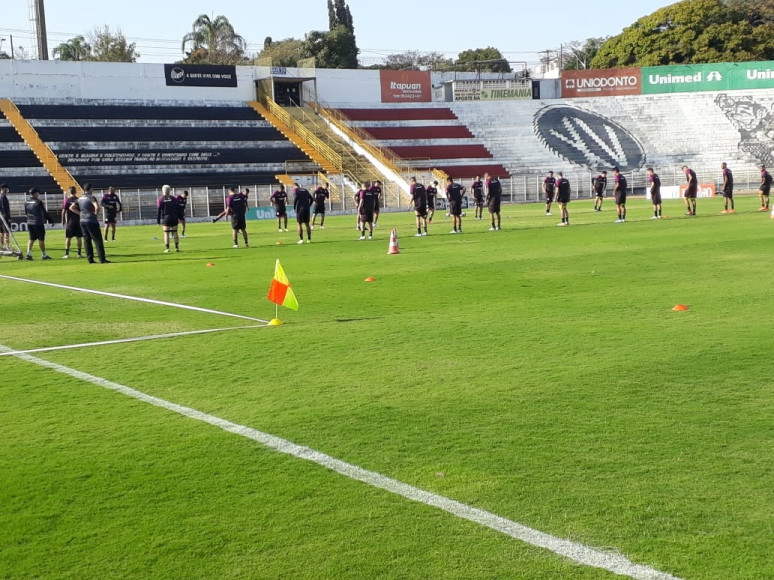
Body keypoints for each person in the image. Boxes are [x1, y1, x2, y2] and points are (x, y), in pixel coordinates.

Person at [71, 183, 109, 263]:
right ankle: (102, 259)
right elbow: (97, 207)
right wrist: (95, 214)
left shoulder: (80, 198)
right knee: (97, 239)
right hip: (91, 220)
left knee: (86, 240)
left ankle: (90, 259)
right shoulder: (91, 197)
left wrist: (80, 213)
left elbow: (71, 207)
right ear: (90, 189)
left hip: (82, 221)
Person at [24, 188, 54, 260]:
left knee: (31, 239)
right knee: (41, 239)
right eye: (38, 193)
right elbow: (44, 212)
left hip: (30, 222)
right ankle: (44, 255)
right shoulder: (38, 202)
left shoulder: (26, 202)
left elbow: (26, 213)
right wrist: (50, 220)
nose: (38, 194)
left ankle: (29, 253)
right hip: (38, 223)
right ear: (35, 193)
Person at [157, 185, 180, 253]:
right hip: (174, 217)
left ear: (163, 191)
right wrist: (179, 217)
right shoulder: (174, 198)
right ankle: (176, 247)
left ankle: (167, 248)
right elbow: (178, 209)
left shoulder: (160, 199)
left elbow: (159, 211)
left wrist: (158, 221)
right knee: (175, 232)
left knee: (166, 234)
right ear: (169, 190)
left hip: (166, 218)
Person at [62, 186, 82, 258]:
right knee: (79, 237)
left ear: (69, 192)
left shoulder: (67, 200)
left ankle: (67, 254)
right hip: (78, 221)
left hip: (70, 222)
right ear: (75, 192)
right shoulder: (79, 200)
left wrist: (63, 220)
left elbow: (63, 211)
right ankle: (79, 254)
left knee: (68, 238)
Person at [0, 183, 11, 251]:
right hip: (4, 217)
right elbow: (4, 208)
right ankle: (7, 246)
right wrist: (8, 217)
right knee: (6, 232)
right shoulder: (3, 197)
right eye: (6, 188)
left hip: (0, 217)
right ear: (3, 188)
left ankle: (1, 246)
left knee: (1, 232)